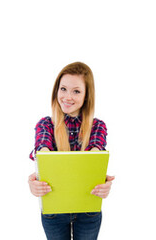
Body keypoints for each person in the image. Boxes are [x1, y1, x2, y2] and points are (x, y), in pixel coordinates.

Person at [26, 62, 113, 240]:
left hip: (87, 210)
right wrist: (36, 180)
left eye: (76, 91)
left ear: (87, 95)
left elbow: (95, 156)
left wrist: (101, 182)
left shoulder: (97, 126)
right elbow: (43, 152)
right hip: (54, 212)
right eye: (63, 89)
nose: (67, 97)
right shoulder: (45, 124)